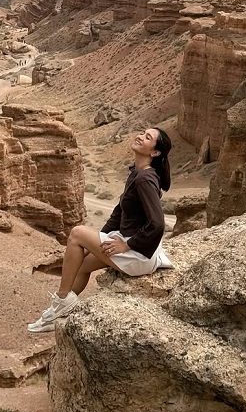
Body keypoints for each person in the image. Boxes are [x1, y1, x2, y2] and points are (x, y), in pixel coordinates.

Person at [27, 126, 173, 333]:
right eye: (141, 132)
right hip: (137, 248)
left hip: (140, 255)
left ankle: (62, 298)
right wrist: (94, 242)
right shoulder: (137, 173)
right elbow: (119, 213)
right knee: (84, 264)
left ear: (155, 152)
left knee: (77, 233)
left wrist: (127, 245)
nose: (140, 136)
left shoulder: (144, 179)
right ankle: (57, 313)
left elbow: (158, 224)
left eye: (148, 137)